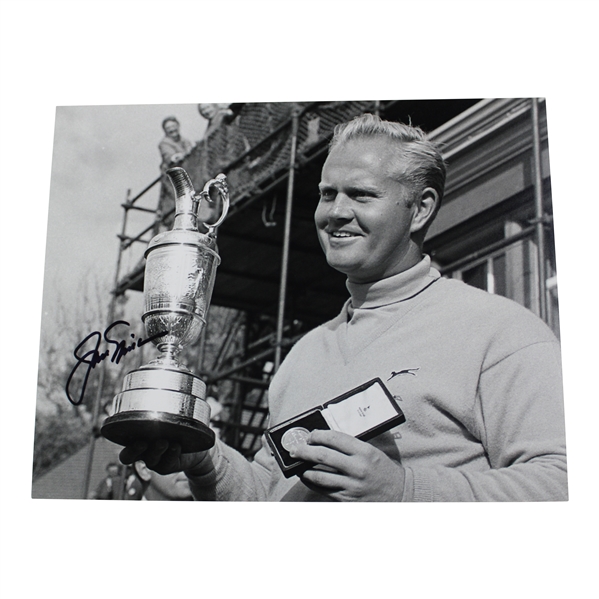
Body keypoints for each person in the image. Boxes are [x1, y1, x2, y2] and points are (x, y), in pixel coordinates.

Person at [121, 113, 568, 502]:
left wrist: (404, 491)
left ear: (420, 209)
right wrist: (205, 460)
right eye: (327, 193)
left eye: (361, 194)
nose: (334, 212)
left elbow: (564, 484)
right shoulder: (304, 354)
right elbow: (269, 496)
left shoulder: (500, 332)